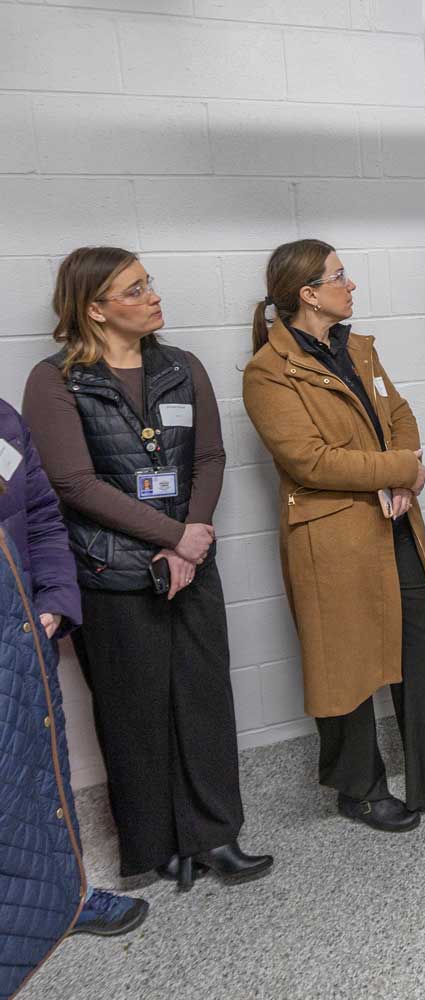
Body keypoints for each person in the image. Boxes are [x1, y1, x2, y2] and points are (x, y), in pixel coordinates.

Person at [23, 247, 270, 890]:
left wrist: (191, 541)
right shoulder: (55, 381)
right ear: (94, 309)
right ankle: (155, 847)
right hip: (111, 574)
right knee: (133, 711)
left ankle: (216, 836)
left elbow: (209, 458)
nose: (153, 296)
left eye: (148, 283)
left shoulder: (182, 367)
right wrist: (173, 537)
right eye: (133, 290)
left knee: (204, 698)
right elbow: (74, 483)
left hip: (190, 563)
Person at [243, 239, 425, 834]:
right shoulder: (268, 372)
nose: (351, 284)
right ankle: (358, 790)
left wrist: (401, 471)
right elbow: (310, 460)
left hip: (392, 523)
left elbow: (400, 414)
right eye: (339, 276)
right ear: (309, 294)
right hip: (331, 538)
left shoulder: (357, 348)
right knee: (346, 662)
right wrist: (400, 469)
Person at [0, 400, 147, 999]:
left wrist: (55, 599)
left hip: (22, 641)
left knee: (39, 779)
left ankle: (64, 902)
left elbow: (40, 515)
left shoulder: (3, 421)